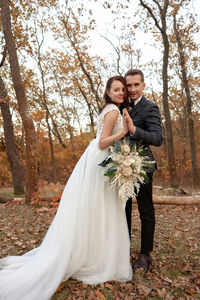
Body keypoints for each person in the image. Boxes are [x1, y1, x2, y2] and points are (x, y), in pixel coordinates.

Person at [0, 76, 133, 300]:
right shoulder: (113, 112)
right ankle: (96, 256)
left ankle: (92, 251)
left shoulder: (111, 109)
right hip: (99, 159)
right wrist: (124, 131)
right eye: (116, 89)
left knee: (95, 209)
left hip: (95, 160)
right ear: (108, 93)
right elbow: (103, 141)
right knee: (102, 208)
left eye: (123, 90)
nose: (121, 93)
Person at [123, 69, 163, 272]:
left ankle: (145, 255)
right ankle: (122, 249)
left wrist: (134, 130)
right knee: (123, 211)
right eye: (128, 85)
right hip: (120, 167)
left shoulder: (150, 107)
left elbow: (157, 138)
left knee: (146, 211)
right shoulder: (121, 105)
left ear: (143, 85)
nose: (132, 89)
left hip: (143, 167)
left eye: (136, 85)